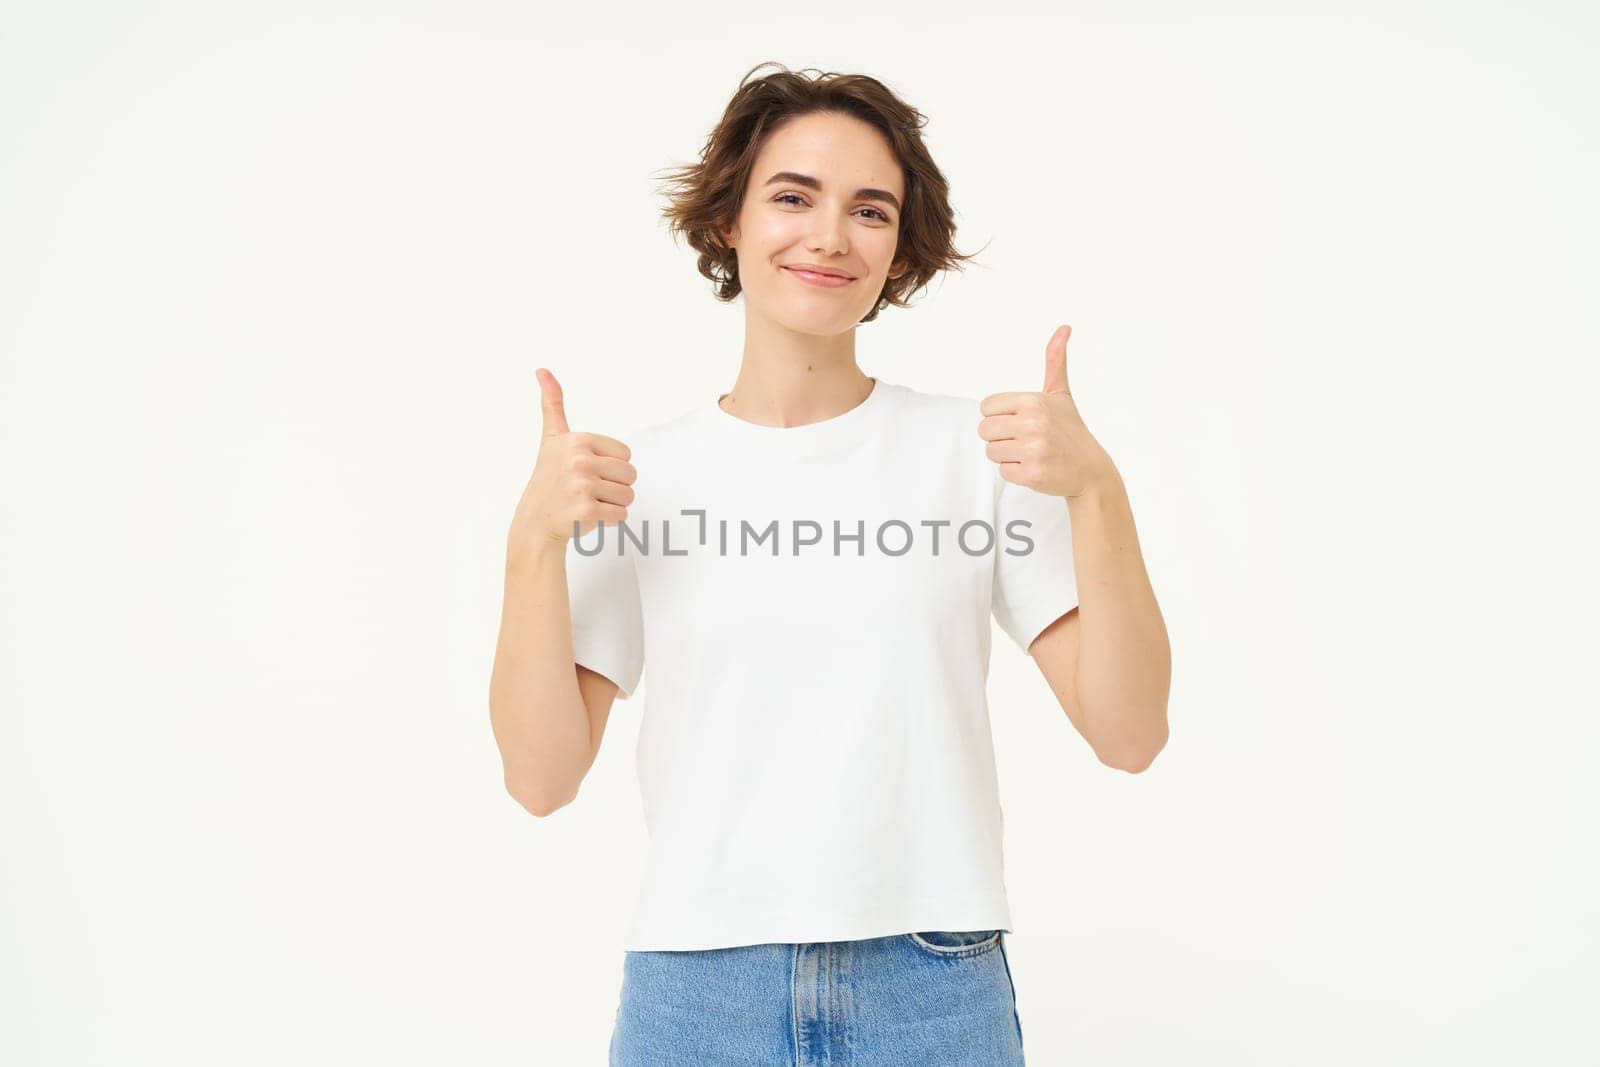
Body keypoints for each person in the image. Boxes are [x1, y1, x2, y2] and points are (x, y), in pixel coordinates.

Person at [488, 61, 1171, 1066]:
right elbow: (540, 777)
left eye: (870, 209)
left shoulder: (976, 456)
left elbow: (1129, 731)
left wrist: (1099, 493)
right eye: (792, 196)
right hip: (697, 990)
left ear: (899, 249)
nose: (828, 235)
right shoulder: (638, 479)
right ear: (728, 219)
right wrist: (531, 545)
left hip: (930, 983)